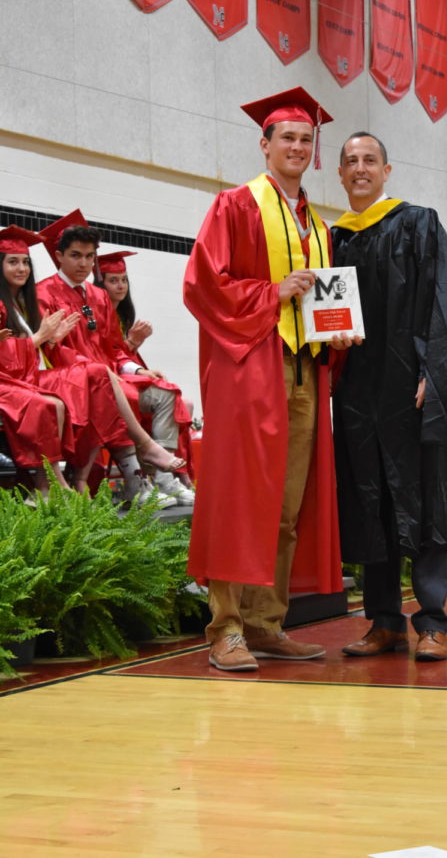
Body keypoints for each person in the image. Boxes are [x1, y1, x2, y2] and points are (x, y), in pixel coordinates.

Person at [183, 87, 352, 672]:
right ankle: (224, 628)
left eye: (307, 140)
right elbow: (202, 284)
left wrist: (339, 332)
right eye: (288, 138)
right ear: (264, 144)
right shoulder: (234, 206)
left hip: (306, 372)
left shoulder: (319, 226)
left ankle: (266, 623)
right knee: (238, 500)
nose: (298, 148)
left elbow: (325, 301)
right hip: (250, 368)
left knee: (285, 504)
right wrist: (271, 292)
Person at [331, 132, 447, 662]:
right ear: (339, 175)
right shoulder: (334, 239)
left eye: (370, 160)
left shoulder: (419, 223)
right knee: (370, 501)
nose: (360, 169)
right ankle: (383, 622)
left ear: (388, 170)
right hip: (358, 388)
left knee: (424, 498)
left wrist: (435, 372)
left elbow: (446, 303)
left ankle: (431, 621)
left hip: (410, 384)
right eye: (351, 162)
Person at [0, 225, 181, 500]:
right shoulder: (43, 294)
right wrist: (44, 339)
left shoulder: (32, 300)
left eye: (25, 262)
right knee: (98, 382)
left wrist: (133, 362)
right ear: (59, 257)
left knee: (166, 392)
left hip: (72, 374)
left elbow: (111, 347)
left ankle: (161, 478)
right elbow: (37, 354)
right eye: (13, 261)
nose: (21, 268)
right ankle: (119, 472)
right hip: (26, 379)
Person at [94, 249, 195, 503]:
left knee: (173, 393)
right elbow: (105, 357)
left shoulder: (120, 316)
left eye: (124, 279)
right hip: (101, 382)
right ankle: (150, 479)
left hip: (118, 376)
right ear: (100, 283)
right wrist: (132, 343)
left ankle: (165, 477)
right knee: (156, 396)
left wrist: (141, 370)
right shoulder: (94, 313)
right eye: (113, 280)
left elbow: (117, 356)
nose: (120, 286)